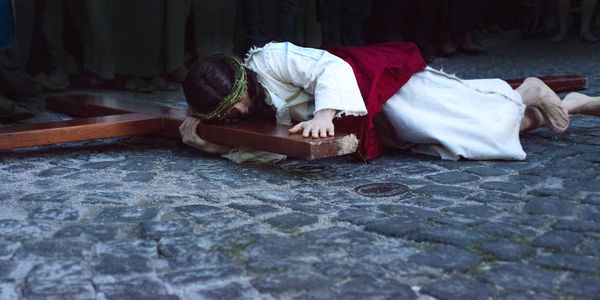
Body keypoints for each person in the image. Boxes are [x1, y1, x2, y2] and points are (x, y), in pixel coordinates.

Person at [178, 42, 597, 163]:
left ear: (241, 76)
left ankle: (528, 90)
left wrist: (325, 113)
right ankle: (574, 103)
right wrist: (200, 137)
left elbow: (331, 68)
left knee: (477, 124)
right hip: (368, 122)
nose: (238, 111)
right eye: (224, 113)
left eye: (239, 98)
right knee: (467, 139)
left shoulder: (269, 59)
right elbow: (245, 146)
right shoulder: (227, 112)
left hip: (379, 89)